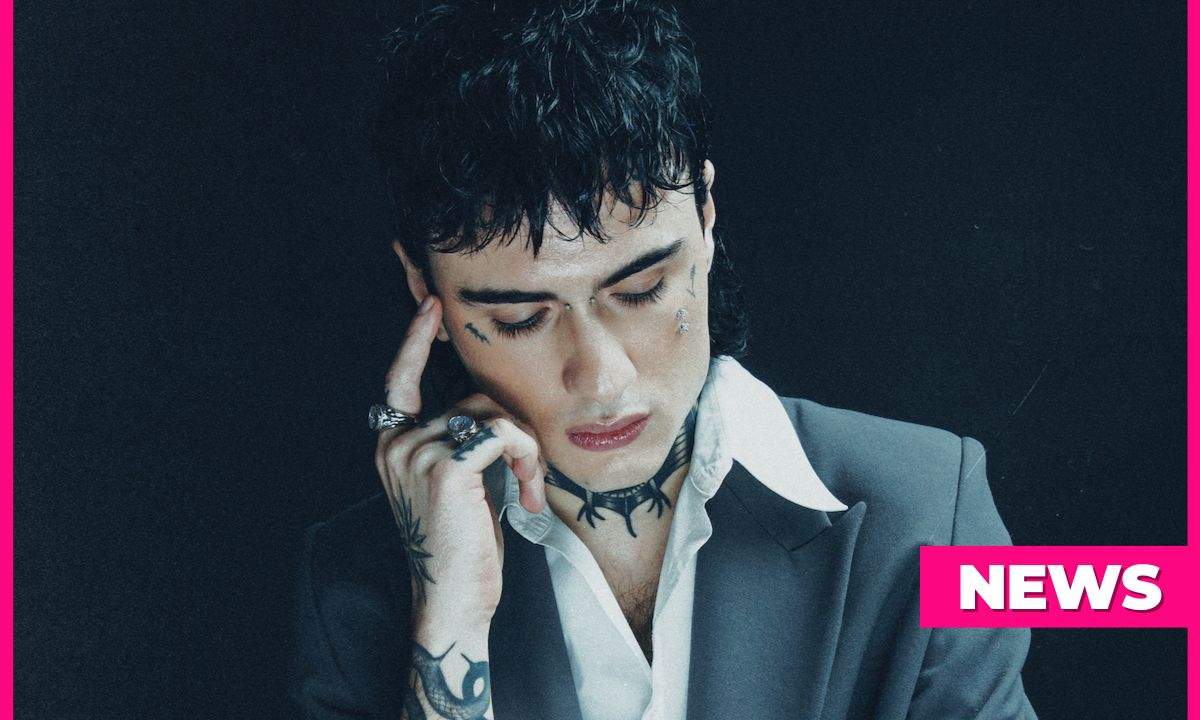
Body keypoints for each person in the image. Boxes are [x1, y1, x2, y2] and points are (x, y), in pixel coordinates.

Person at [289, 1, 1039, 718]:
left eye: (640, 290)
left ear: (706, 219)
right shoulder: (354, 584)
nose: (601, 376)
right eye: (520, 319)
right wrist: (447, 612)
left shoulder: (939, 510)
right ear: (426, 290)